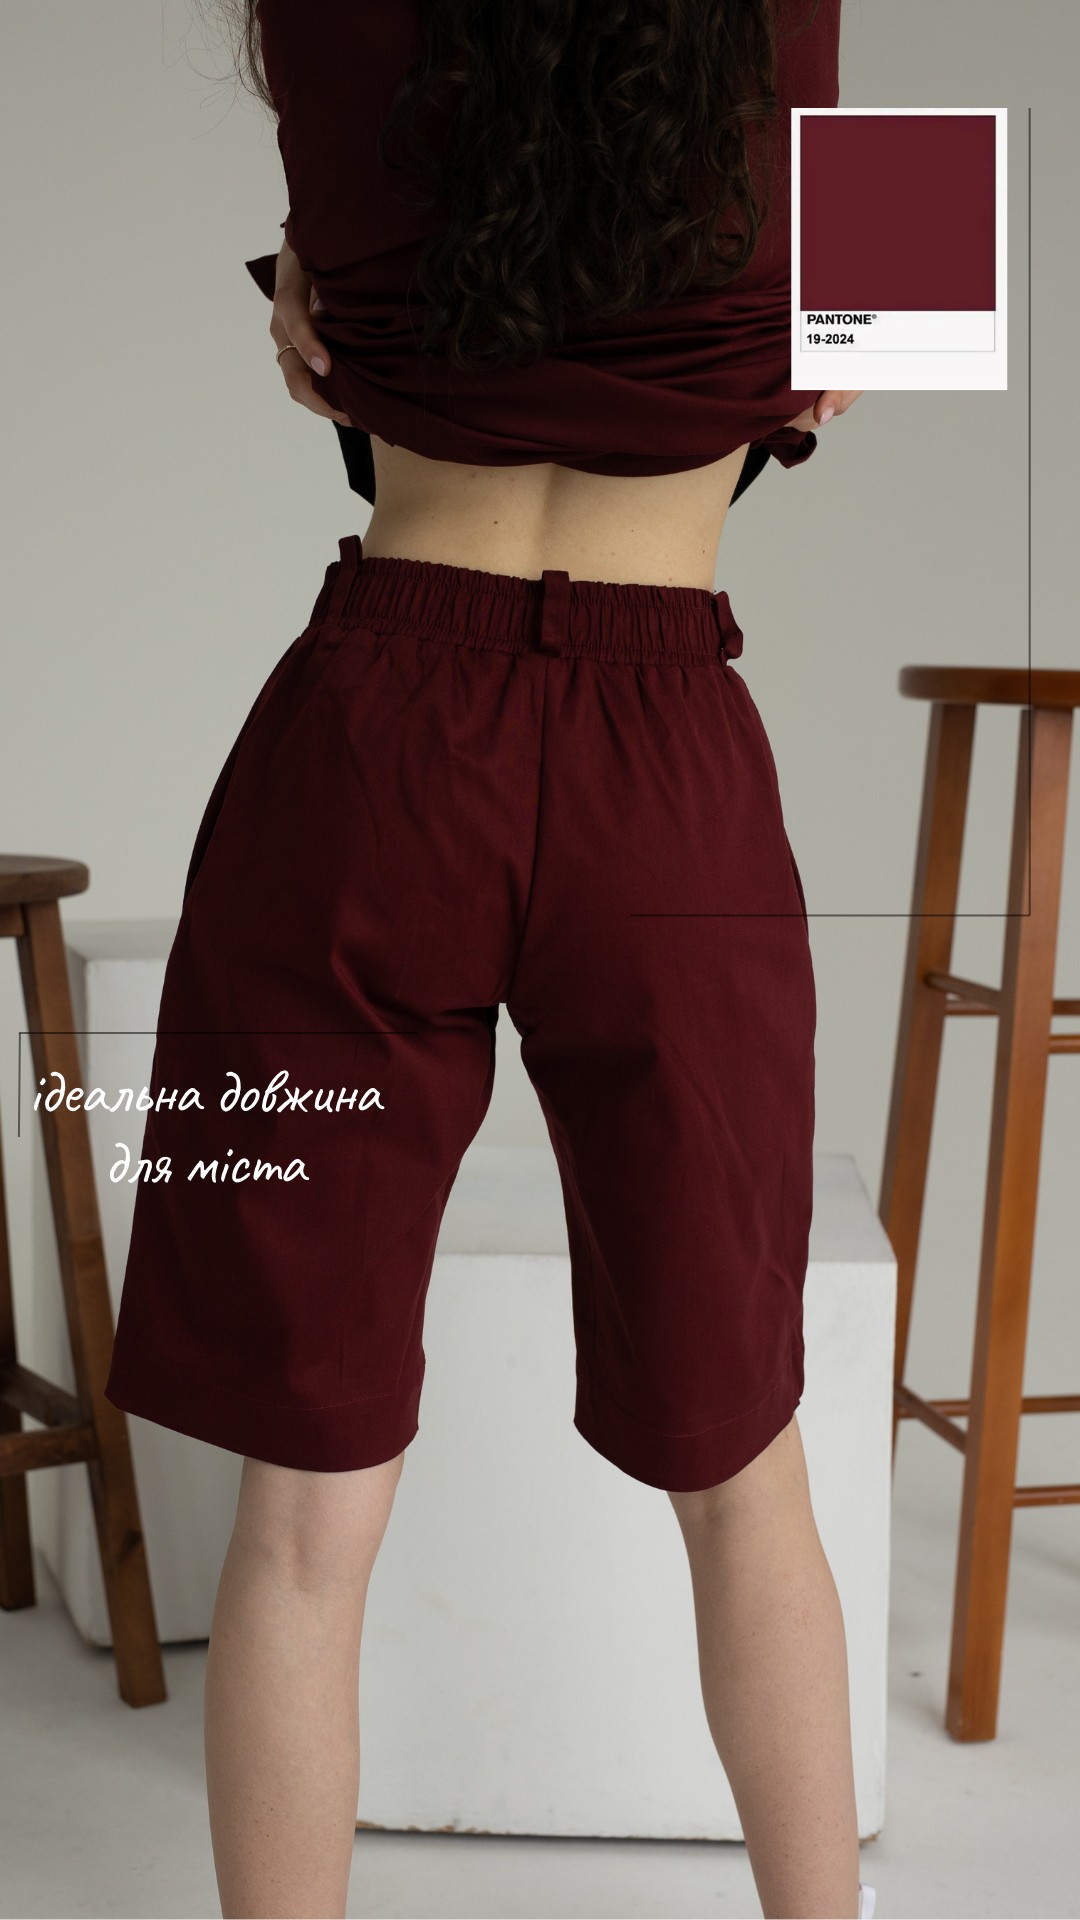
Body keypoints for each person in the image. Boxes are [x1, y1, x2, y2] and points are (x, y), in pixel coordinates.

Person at [105, 3, 872, 1915]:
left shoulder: (331, 14)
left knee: (301, 1516)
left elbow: (322, 347)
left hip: (370, 740)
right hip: (667, 768)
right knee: (747, 1470)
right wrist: (807, 323)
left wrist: (315, 289)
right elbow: (851, 381)